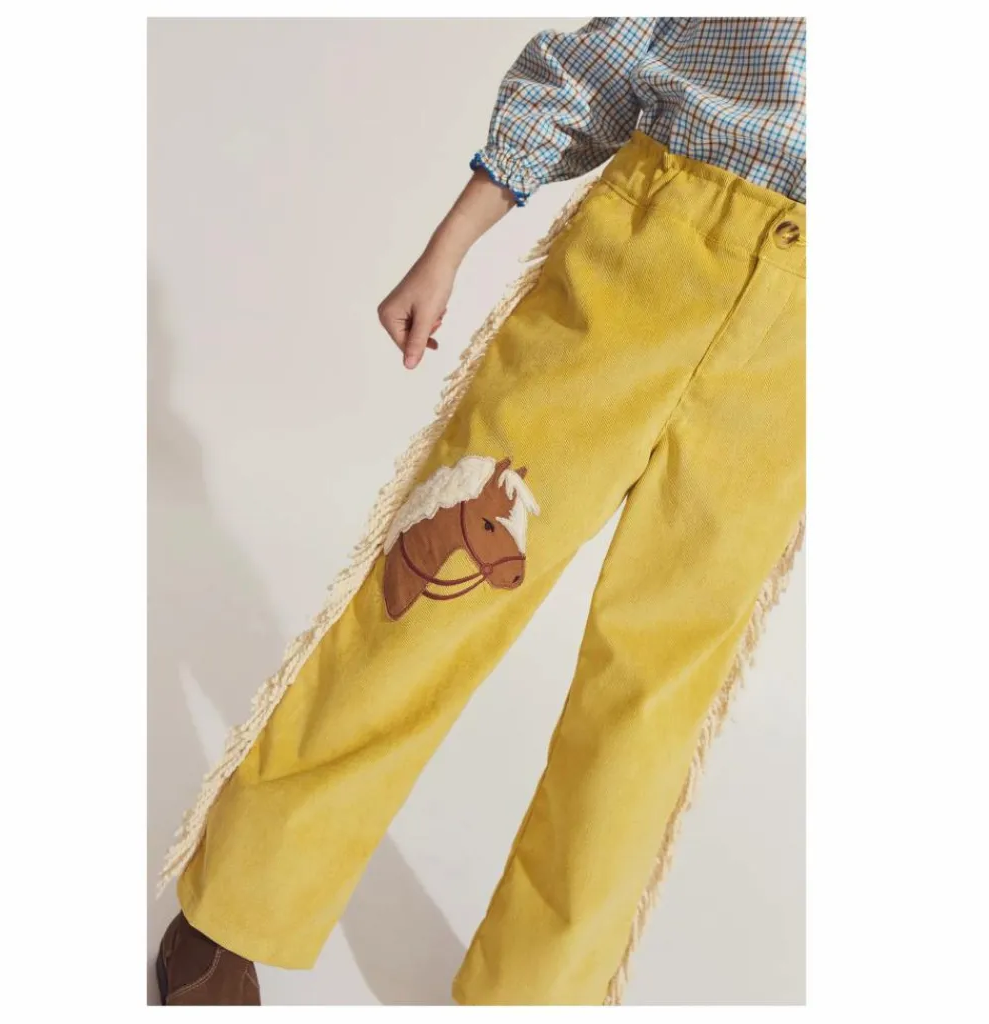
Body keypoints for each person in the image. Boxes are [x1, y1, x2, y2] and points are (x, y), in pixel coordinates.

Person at [154, 16, 806, 1005]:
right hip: (652, 250)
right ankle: (236, 903)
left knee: (653, 696)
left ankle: (536, 994)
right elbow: (597, 70)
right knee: (426, 598)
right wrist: (448, 246)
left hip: (802, 356)